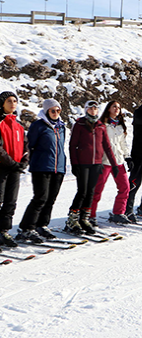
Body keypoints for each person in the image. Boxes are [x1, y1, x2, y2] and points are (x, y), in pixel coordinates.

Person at [67, 100, 118, 235]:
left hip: (96, 163)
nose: (93, 111)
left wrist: (114, 164)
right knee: (82, 191)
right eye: (90, 108)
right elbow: (72, 146)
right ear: (86, 110)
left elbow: (107, 146)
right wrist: (74, 164)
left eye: (95, 108)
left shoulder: (101, 125)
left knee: (91, 192)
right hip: (83, 164)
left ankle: (84, 218)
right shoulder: (80, 124)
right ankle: (72, 219)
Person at [17, 99, 65, 242]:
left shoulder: (61, 126)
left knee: (51, 199)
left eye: (58, 110)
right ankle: (27, 228)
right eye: (52, 110)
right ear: (46, 111)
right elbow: (29, 145)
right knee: (40, 198)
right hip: (41, 166)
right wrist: (30, 161)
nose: (55, 113)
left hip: (59, 167)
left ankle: (42, 225)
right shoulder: (38, 125)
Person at [89, 101, 131, 225]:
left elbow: (123, 143)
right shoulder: (102, 125)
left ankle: (118, 213)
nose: (117, 109)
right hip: (105, 161)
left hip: (118, 161)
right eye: (114, 107)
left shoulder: (120, 126)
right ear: (108, 109)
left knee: (125, 187)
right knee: (97, 189)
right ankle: (89, 215)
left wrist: (127, 157)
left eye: (119, 107)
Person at [0, 91, 29, 247]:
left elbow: (26, 147)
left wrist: (24, 161)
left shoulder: (18, 125)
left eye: (15, 101)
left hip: (15, 169)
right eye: (9, 101)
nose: (13, 103)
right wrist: (12, 163)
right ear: (2, 103)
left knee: (11, 202)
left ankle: (3, 231)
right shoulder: (0, 123)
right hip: (2, 168)